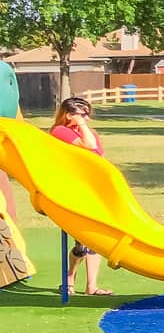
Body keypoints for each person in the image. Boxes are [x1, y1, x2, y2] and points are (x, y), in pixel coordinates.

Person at [50, 97, 113, 294]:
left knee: (96, 240)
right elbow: (87, 145)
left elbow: (98, 154)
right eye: (82, 114)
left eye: (88, 114)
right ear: (68, 115)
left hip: (93, 188)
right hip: (75, 189)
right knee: (82, 243)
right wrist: (82, 125)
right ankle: (69, 279)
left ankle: (91, 286)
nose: (87, 118)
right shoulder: (60, 131)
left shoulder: (89, 131)